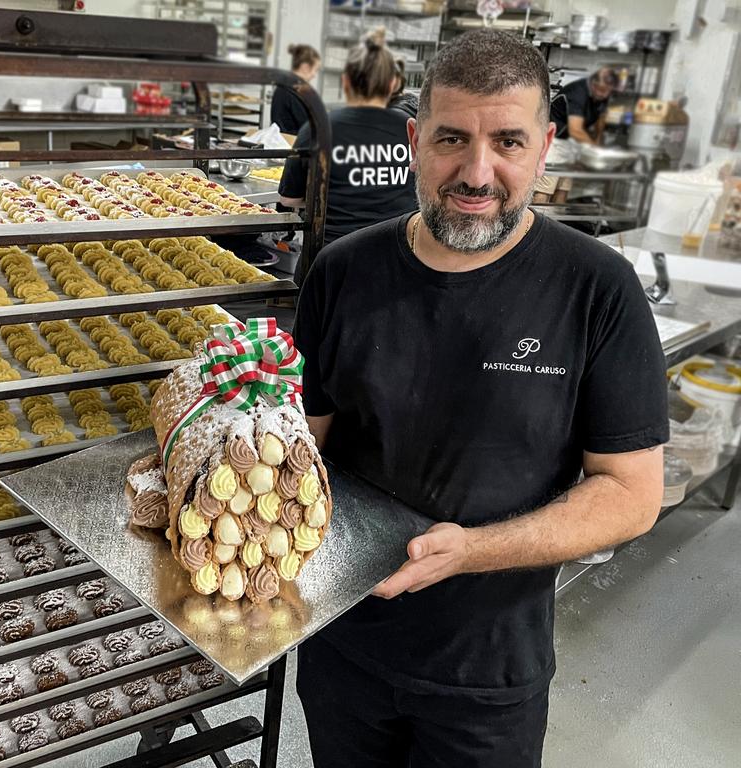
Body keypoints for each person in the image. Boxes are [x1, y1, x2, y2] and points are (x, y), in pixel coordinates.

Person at [293, 29, 667, 768]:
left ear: (546, 146)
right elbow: (302, 445)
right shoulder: (343, 273)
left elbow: (631, 492)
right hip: (342, 646)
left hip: (488, 677)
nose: (477, 171)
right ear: (412, 139)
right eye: (451, 139)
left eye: (509, 142)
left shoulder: (597, 290)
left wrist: (472, 552)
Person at [279, 28, 417, 282]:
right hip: (397, 266)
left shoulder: (318, 127)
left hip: (329, 264)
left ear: (346, 82)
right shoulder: (413, 129)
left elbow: (288, 199)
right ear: (392, 84)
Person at [536, 67, 619, 202]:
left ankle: (556, 222)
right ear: (594, 83)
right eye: (603, 91)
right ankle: (536, 223)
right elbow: (576, 130)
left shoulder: (602, 94)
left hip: (570, 144)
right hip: (553, 142)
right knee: (544, 190)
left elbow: (601, 119)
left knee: (563, 189)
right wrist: (596, 150)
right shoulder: (577, 93)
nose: (605, 95)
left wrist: (598, 140)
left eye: (608, 91)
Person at [270, 44, 321, 136]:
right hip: (292, 144)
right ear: (305, 67)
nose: (314, 75)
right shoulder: (291, 92)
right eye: (315, 70)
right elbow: (308, 125)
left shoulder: (286, 87)